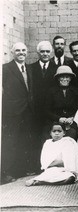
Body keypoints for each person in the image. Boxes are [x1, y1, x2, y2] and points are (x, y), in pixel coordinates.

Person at [1, 42, 37, 184]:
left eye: (23, 50)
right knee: (11, 141)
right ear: (12, 53)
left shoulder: (29, 68)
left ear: (27, 52)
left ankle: (20, 169)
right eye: (18, 51)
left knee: (24, 140)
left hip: (28, 111)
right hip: (12, 112)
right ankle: (6, 172)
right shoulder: (5, 69)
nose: (21, 53)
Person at [44, 66, 78, 140]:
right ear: (58, 78)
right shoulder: (51, 91)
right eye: (62, 77)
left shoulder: (76, 91)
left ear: (70, 78)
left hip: (71, 121)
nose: (65, 79)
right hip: (54, 121)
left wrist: (72, 118)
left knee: (74, 133)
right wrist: (59, 119)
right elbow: (46, 110)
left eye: (67, 77)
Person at [31, 41, 58, 141]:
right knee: (35, 135)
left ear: (50, 52)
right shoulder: (31, 68)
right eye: (42, 51)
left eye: (47, 51)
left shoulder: (56, 68)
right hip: (35, 108)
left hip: (51, 108)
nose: (45, 54)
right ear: (38, 53)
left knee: (48, 135)